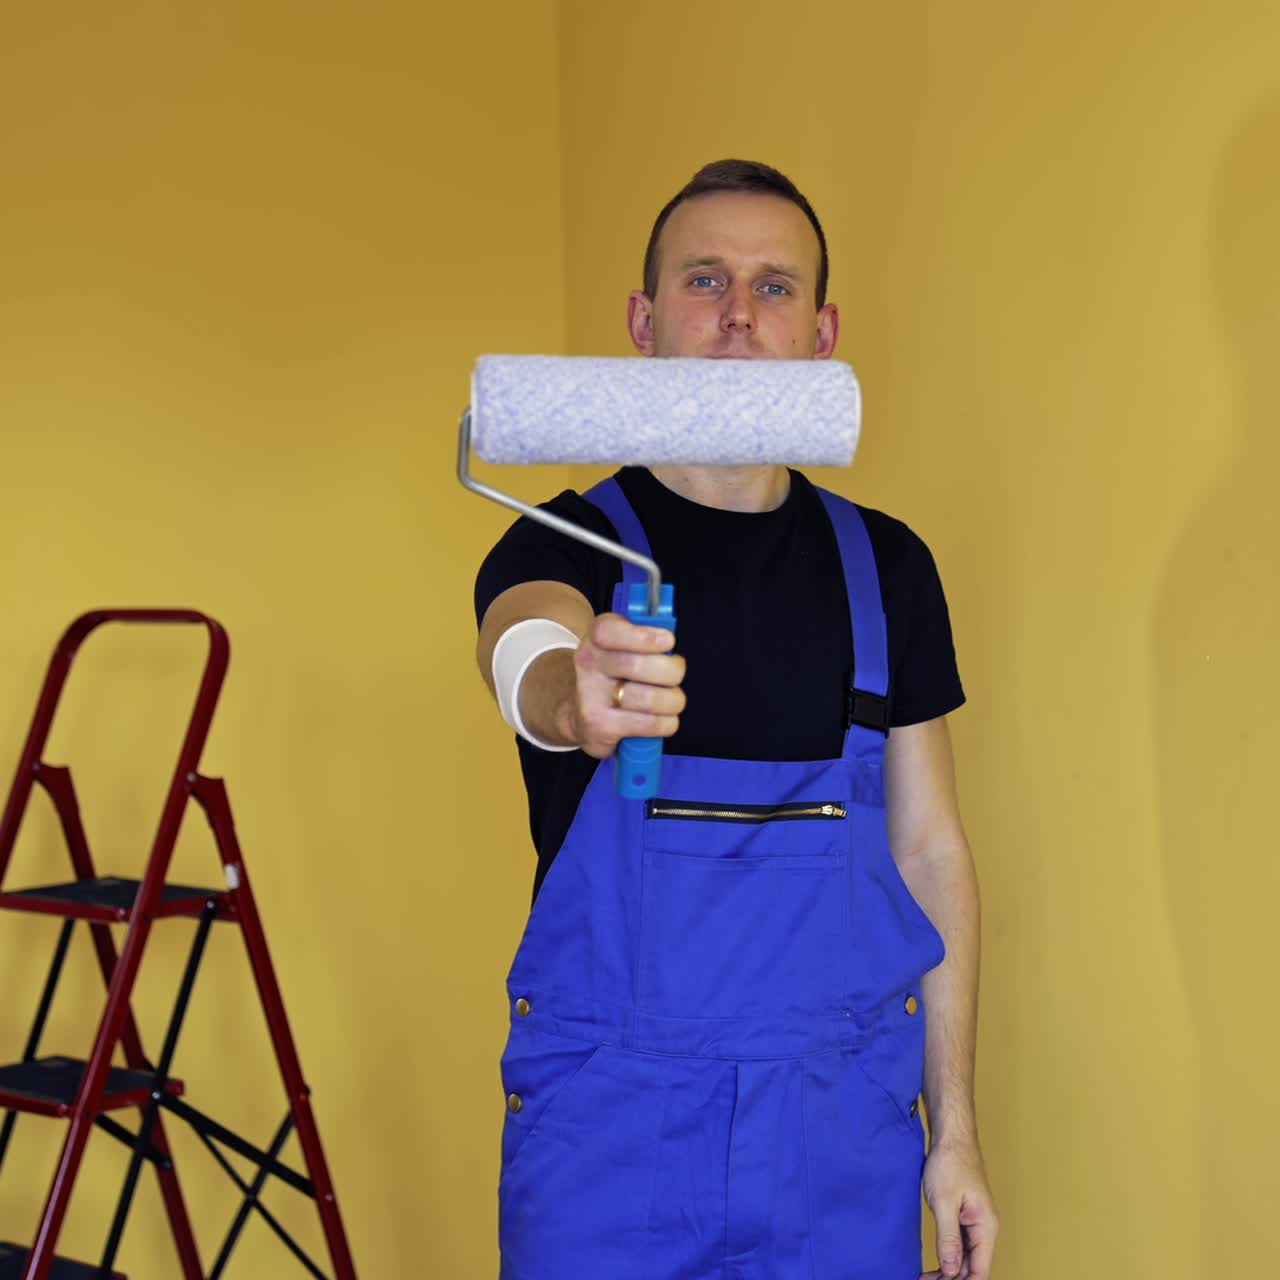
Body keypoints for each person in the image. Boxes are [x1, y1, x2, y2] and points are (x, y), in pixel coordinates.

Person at [473, 159, 998, 1280]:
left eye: (773, 287)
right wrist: (575, 692)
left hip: (839, 1141)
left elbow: (931, 849)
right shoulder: (562, 542)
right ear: (642, 318)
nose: (735, 316)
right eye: (703, 279)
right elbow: (524, 652)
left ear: (820, 330)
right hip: (607, 1145)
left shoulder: (885, 568)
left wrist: (951, 1133)